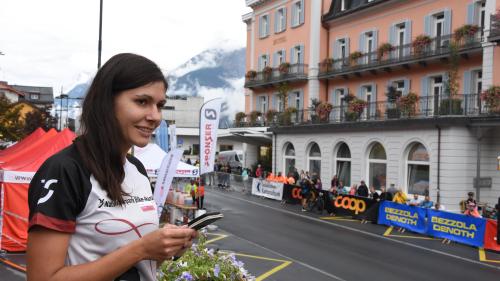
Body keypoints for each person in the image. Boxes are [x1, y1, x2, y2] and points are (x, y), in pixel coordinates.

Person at [27, 53, 196, 281]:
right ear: (107, 101)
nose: (155, 116)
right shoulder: (64, 170)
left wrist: (165, 248)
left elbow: (134, 263)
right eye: (142, 101)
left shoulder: (137, 169)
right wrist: (142, 249)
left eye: (160, 105)